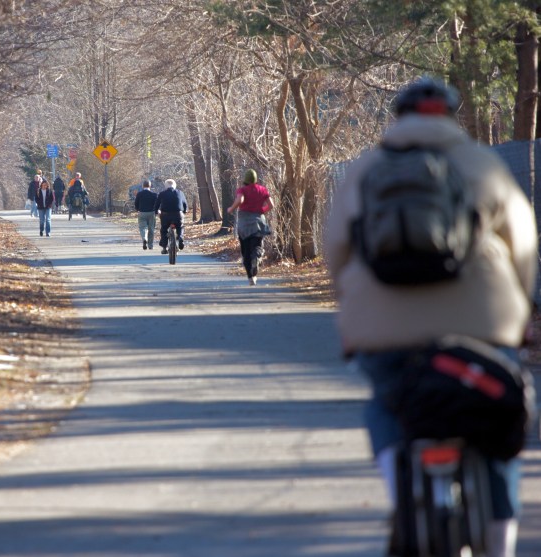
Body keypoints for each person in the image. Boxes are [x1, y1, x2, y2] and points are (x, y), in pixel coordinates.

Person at [323, 77, 538, 557]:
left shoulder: (366, 168)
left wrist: (352, 305)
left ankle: (401, 491)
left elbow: (336, 248)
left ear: (398, 117)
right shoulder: (482, 163)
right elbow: (523, 244)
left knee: (386, 401)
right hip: (482, 324)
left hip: (384, 327)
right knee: (500, 415)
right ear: (452, 115)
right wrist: (522, 307)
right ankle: (500, 541)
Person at [226, 169, 274, 285]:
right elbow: (271, 205)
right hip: (259, 221)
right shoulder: (262, 189)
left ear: (245, 180)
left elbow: (240, 199)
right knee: (257, 245)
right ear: (255, 179)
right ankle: (256, 257)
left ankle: (250, 277)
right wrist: (262, 211)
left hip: (245, 223)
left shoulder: (242, 190)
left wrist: (231, 208)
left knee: (246, 251)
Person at [154, 179, 188, 254]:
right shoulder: (180, 192)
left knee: (164, 230)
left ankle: (164, 247)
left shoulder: (162, 193)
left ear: (166, 186)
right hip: (178, 214)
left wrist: (156, 212)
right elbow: (185, 204)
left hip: (165, 215)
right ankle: (180, 237)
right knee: (180, 227)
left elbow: (157, 205)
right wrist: (185, 211)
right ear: (174, 185)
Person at [134, 180, 158, 250]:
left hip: (142, 213)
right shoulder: (154, 195)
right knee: (151, 229)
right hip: (151, 213)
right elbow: (157, 204)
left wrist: (138, 209)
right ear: (150, 186)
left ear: (143, 186)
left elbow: (136, 203)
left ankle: (144, 238)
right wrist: (156, 212)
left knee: (143, 227)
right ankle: (150, 245)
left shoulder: (139, 194)